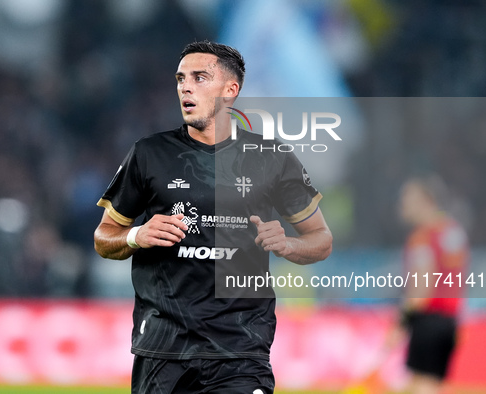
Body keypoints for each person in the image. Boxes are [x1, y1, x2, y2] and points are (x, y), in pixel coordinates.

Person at [94, 40, 332, 394]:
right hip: (164, 348)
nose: (185, 87)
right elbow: (104, 237)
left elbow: (321, 240)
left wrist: (288, 244)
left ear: (230, 90)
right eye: (180, 79)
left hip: (241, 349)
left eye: (200, 77)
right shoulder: (149, 154)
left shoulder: (272, 157)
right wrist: (136, 235)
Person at [397, 176, 469, 394]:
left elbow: (422, 286)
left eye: (407, 199)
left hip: (427, 320)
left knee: (422, 386)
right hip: (449, 322)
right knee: (423, 384)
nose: (402, 206)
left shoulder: (422, 237)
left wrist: (402, 320)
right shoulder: (455, 232)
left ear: (425, 200)